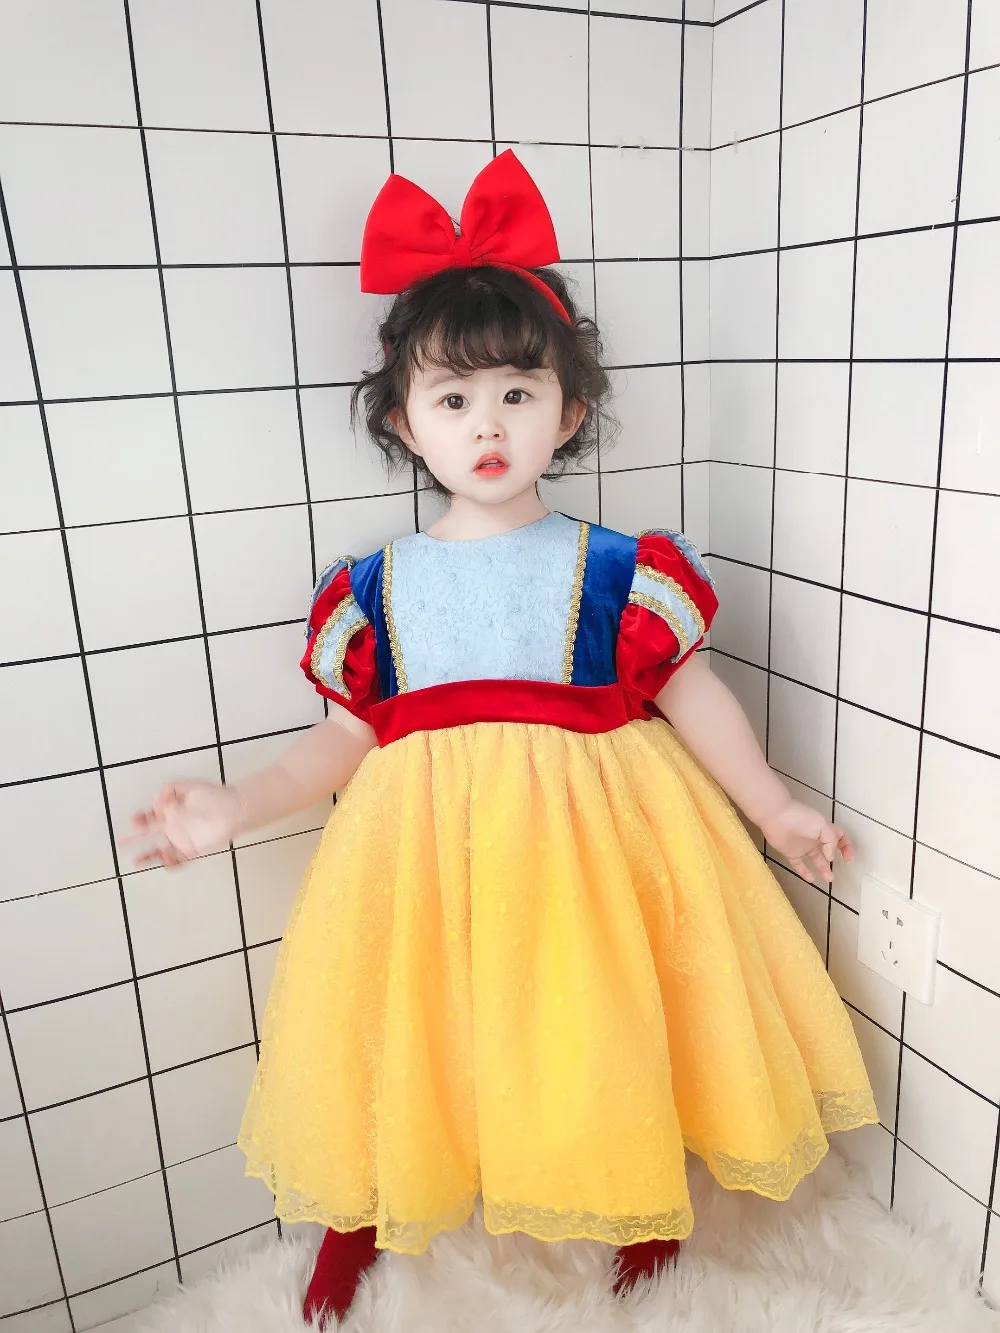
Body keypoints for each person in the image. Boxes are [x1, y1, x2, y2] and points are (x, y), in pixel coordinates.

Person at [130, 152, 876, 1326]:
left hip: (595, 852)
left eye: (518, 394)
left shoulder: (618, 570)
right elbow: (339, 742)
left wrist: (773, 807)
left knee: (599, 1017)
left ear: (567, 411)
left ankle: (636, 1201)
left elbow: (696, 696)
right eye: (453, 400)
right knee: (408, 1031)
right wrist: (237, 803)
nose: (488, 424)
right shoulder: (375, 589)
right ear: (403, 420)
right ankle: (365, 1207)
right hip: (423, 860)